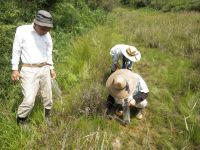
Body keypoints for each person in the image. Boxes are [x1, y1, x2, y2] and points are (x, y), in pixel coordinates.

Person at [11, 10, 56, 126]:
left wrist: (51, 68)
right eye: (43, 28)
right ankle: (21, 120)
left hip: (45, 67)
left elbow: (48, 52)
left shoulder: (47, 34)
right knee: (29, 99)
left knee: (48, 96)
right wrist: (15, 69)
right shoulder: (22, 30)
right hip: (28, 69)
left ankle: (47, 116)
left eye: (48, 29)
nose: (46, 31)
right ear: (35, 23)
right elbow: (16, 50)